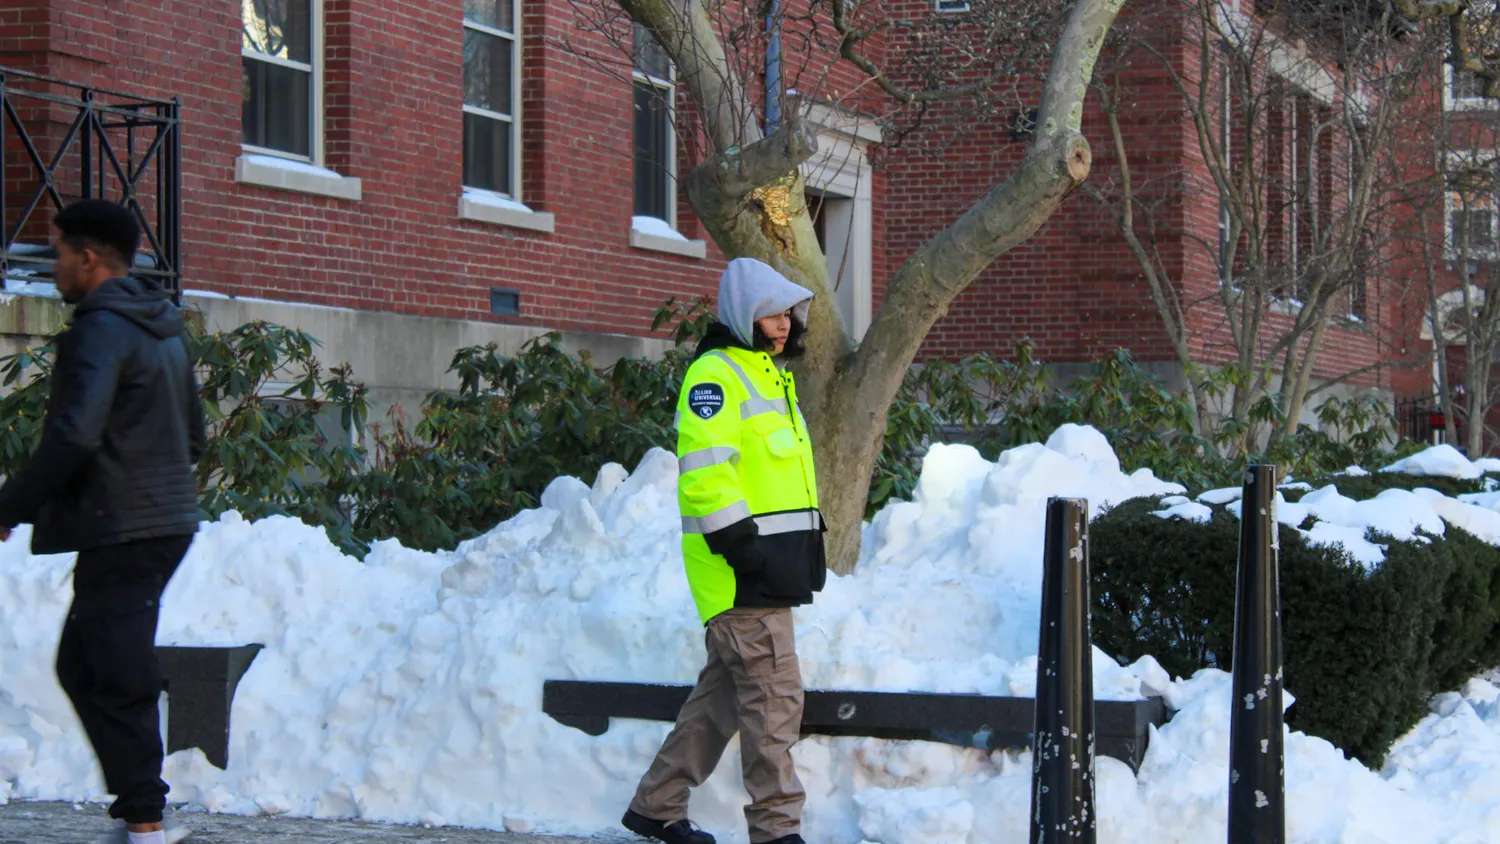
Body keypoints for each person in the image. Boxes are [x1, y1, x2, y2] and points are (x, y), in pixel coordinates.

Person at [0, 199, 204, 844]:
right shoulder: (160, 326)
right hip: (152, 518)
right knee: (85, 664)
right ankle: (139, 813)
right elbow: (193, 435)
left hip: (128, 523)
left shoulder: (101, 328)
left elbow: (73, 435)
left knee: (112, 668)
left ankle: (146, 822)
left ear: (88, 258)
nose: (53, 267)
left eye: (57, 253)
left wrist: (10, 506)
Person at [623, 257, 826, 844]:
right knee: (775, 702)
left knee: (722, 703)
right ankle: (776, 830)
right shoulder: (716, 376)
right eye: (770, 312)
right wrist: (747, 554)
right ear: (744, 314)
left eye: (787, 311)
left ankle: (655, 805)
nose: (783, 323)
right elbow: (706, 478)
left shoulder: (765, 373)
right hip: (741, 575)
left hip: (768, 571)